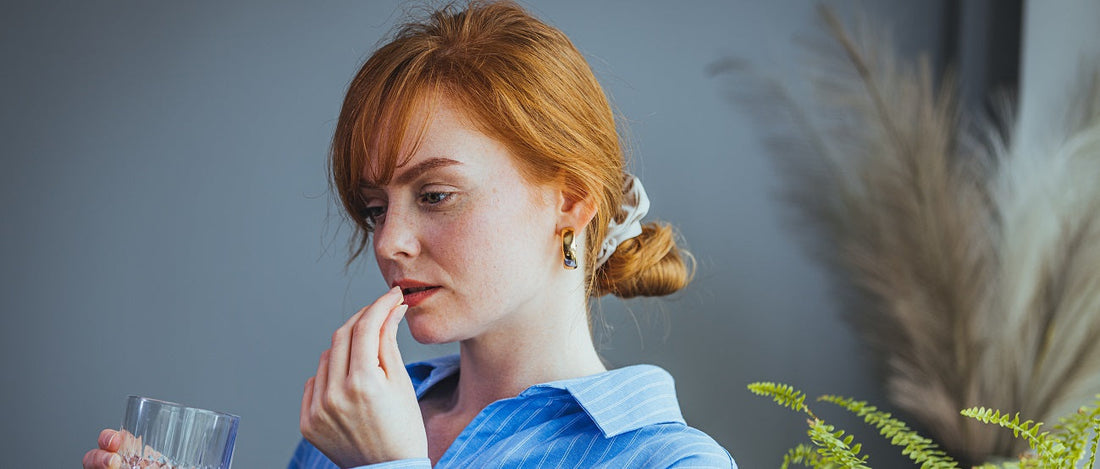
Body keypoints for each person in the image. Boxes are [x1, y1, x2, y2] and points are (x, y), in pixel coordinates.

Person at [83, 1, 736, 468]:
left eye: (435, 195)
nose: (388, 241)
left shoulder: (667, 459)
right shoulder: (358, 415)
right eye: (374, 207)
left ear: (569, 199)